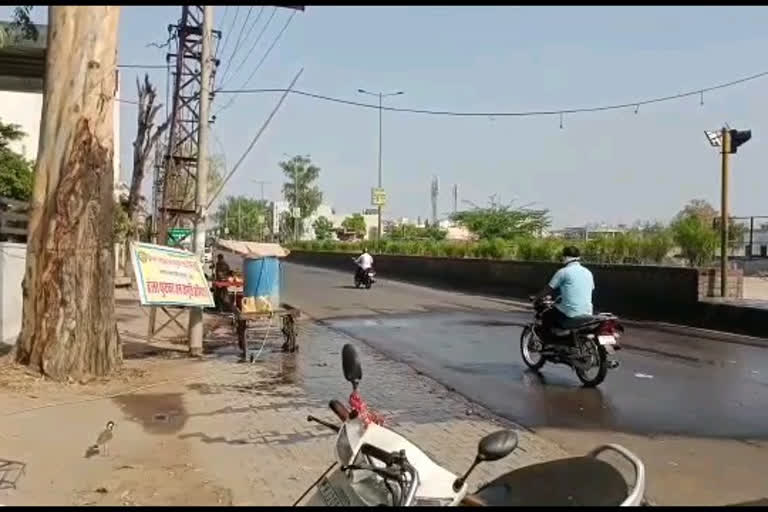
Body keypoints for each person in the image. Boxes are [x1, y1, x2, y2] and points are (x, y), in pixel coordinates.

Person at [532, 246, 595, 338]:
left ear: (565, 257)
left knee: (547, 315)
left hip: (570, 312)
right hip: (588, 312)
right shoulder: (588, 272)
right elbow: (585, 289)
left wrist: (536, 297)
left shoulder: (563, 272)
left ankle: (548, 342)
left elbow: (549, 289)